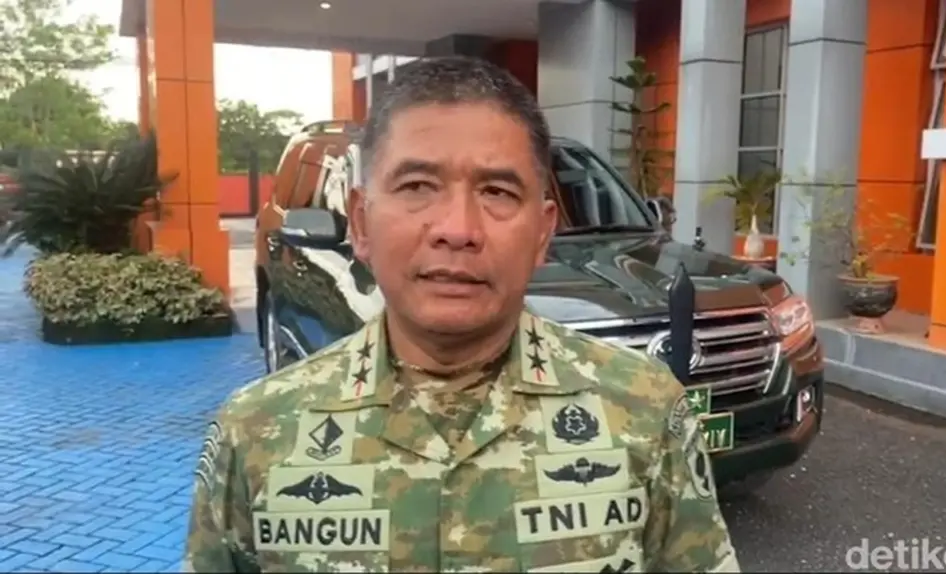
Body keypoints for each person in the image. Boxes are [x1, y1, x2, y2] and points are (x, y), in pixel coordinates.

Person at [184, 55, 740, 573]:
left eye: (497, 191)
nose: (458, 229)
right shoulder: (255, 433)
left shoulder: (645, 414)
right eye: (417, 186)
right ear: (361, 222)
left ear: (543, 231)